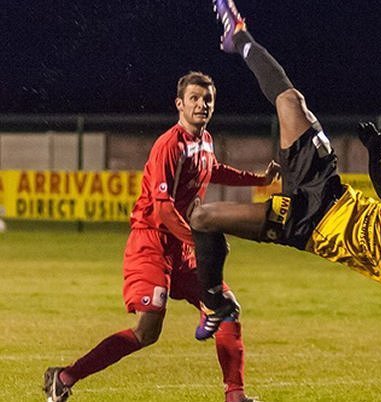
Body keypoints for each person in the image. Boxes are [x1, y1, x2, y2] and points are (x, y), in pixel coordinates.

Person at [188, 1, 381, 401]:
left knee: (204, 218)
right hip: (327, 187)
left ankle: (215, 304)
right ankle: (238, 36)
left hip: (304, 226)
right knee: (292, 101)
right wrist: (377, 150)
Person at [43, 71, 278, 402]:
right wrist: (201, 243)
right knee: (147, 331)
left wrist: (258, 180)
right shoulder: (169, 145)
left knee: (227, 306)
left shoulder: (205, 140)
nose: (202, 104)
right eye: (194, 98)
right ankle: (65, 377)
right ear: (179, 104)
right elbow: (163, 209)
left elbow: (213, 169)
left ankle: (235, 396)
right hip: (151, 243)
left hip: (182, 246)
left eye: (207, 98)